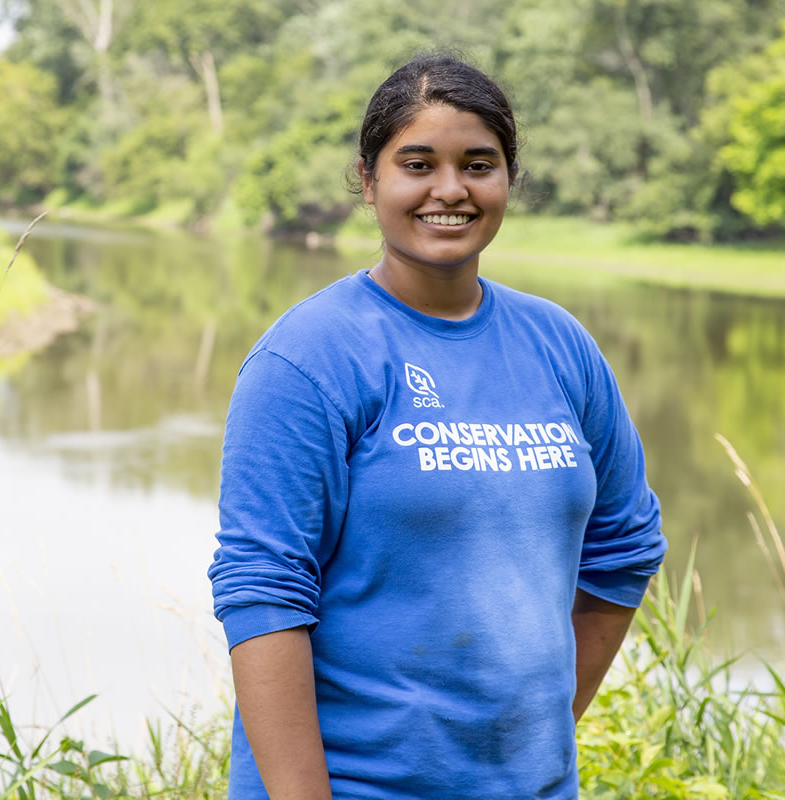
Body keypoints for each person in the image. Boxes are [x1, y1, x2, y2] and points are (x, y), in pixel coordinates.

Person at [207, 53, 667, 799]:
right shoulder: (309, 357)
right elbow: (263, 591)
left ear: (508, 178)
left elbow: (626, 545)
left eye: (477, 164)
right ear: (369, 180)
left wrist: (540, 728)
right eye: (416, 163)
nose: (449, 190)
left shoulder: (560, 345)